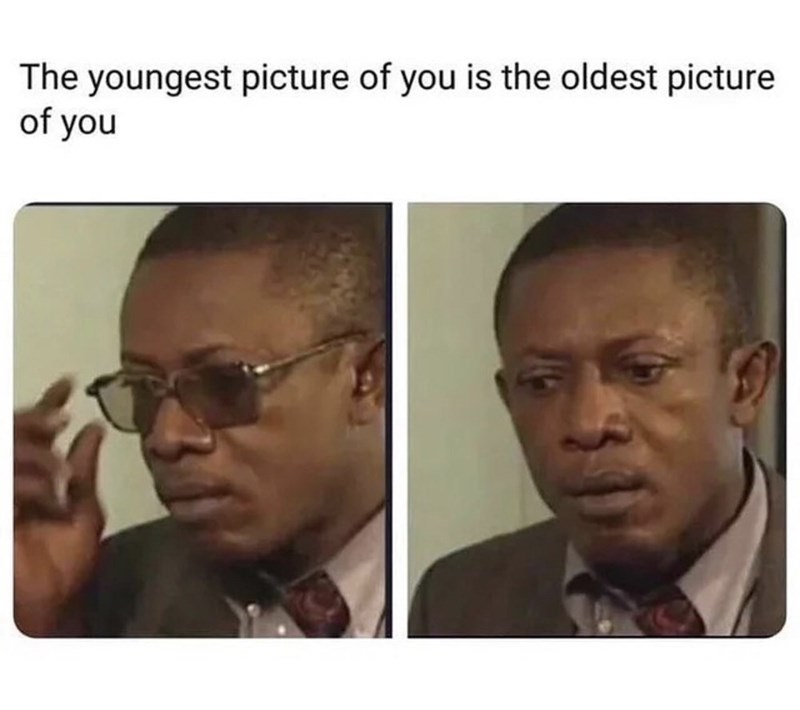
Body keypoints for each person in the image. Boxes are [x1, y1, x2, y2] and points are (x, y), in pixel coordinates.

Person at [409, 203, 785, 637]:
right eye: (542, 382)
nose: (588, 424)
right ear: (508, 399)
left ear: (746, 384)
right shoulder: (455, 604)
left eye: (643, 371)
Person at [14, 204, 388, 638]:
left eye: (223, 385)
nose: (165, 437)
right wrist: (35, 624)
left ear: (367, 380)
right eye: (143, 388)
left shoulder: (443, 600)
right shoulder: (104, 597)